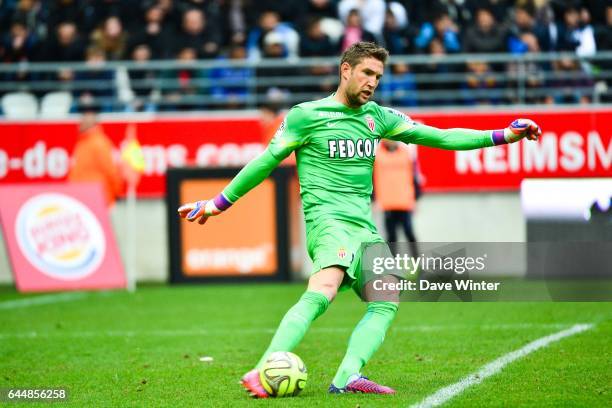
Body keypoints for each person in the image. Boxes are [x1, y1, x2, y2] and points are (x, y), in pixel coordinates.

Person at [177, 42, 542, 397]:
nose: (372, 82)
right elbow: (265, 162)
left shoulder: (378, 117)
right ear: (346, 70)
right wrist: (218, 203)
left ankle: (349, 374)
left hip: (363, 226)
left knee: (386, 298)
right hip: (328, 221)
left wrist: (504, 135)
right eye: (366, 72)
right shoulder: (307, 116)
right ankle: (261, 369)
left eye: (378, 77)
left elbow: (440, 136)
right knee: (324, 290)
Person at [68, 109, 125, 208]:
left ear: (92, 124)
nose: (80, 124)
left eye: (83, 121)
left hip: (99, 199)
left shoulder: (100, 143)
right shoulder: (82, 143)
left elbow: (111, 171)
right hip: (84, 199)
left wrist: (116, 193)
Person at [374, 139, 419, 257]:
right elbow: (372, 179)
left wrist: (415, 198)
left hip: (404, 202)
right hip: (387, 203)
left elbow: (413, 177)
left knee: (409, 234)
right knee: (391, 237)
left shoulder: (405, 153)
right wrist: (374, 200)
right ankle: (392, 265)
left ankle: (417, 262)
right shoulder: (377, 155)